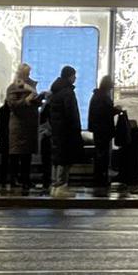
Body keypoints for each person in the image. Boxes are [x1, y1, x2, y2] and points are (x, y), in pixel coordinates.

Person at [6, 63, 45, 195]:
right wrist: (27, 100)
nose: (28, 76)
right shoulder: (13, 87)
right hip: (19, 125)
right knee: (17, 154)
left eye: (29, 73)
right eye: (26, 73)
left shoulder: (31, 86)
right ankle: (15, 178)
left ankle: (25, 179)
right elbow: (12, 105)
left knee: (27, 154)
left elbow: (35, 102)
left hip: (29, 125)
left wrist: (38, 99)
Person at [48, 65, 82, 197]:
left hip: (57, 130)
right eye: (74, 76)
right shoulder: (67, 92)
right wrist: (76, 129)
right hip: (67, 131)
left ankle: (55, 185)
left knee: (57, 158)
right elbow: (71, 113)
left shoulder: (56, 91)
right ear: (69, 76)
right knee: (65, 158)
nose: (75, 78)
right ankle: (61, 186)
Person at [88, 75, 120, 189]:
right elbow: (105, 112)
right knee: (102, 155)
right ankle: (101, 178)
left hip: (99, 130)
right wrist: (115, 110)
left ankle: (100, 177)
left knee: (100, 154)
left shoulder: (97, 96)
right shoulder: (103, 97)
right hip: (103, 130)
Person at [0, 98, 11, 189]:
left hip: (3, 137)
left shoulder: (2, 110)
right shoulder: (10, 111)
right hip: (7, 137)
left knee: (4, 159)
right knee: (8, 159)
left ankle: (3, 178)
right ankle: (7, 178)